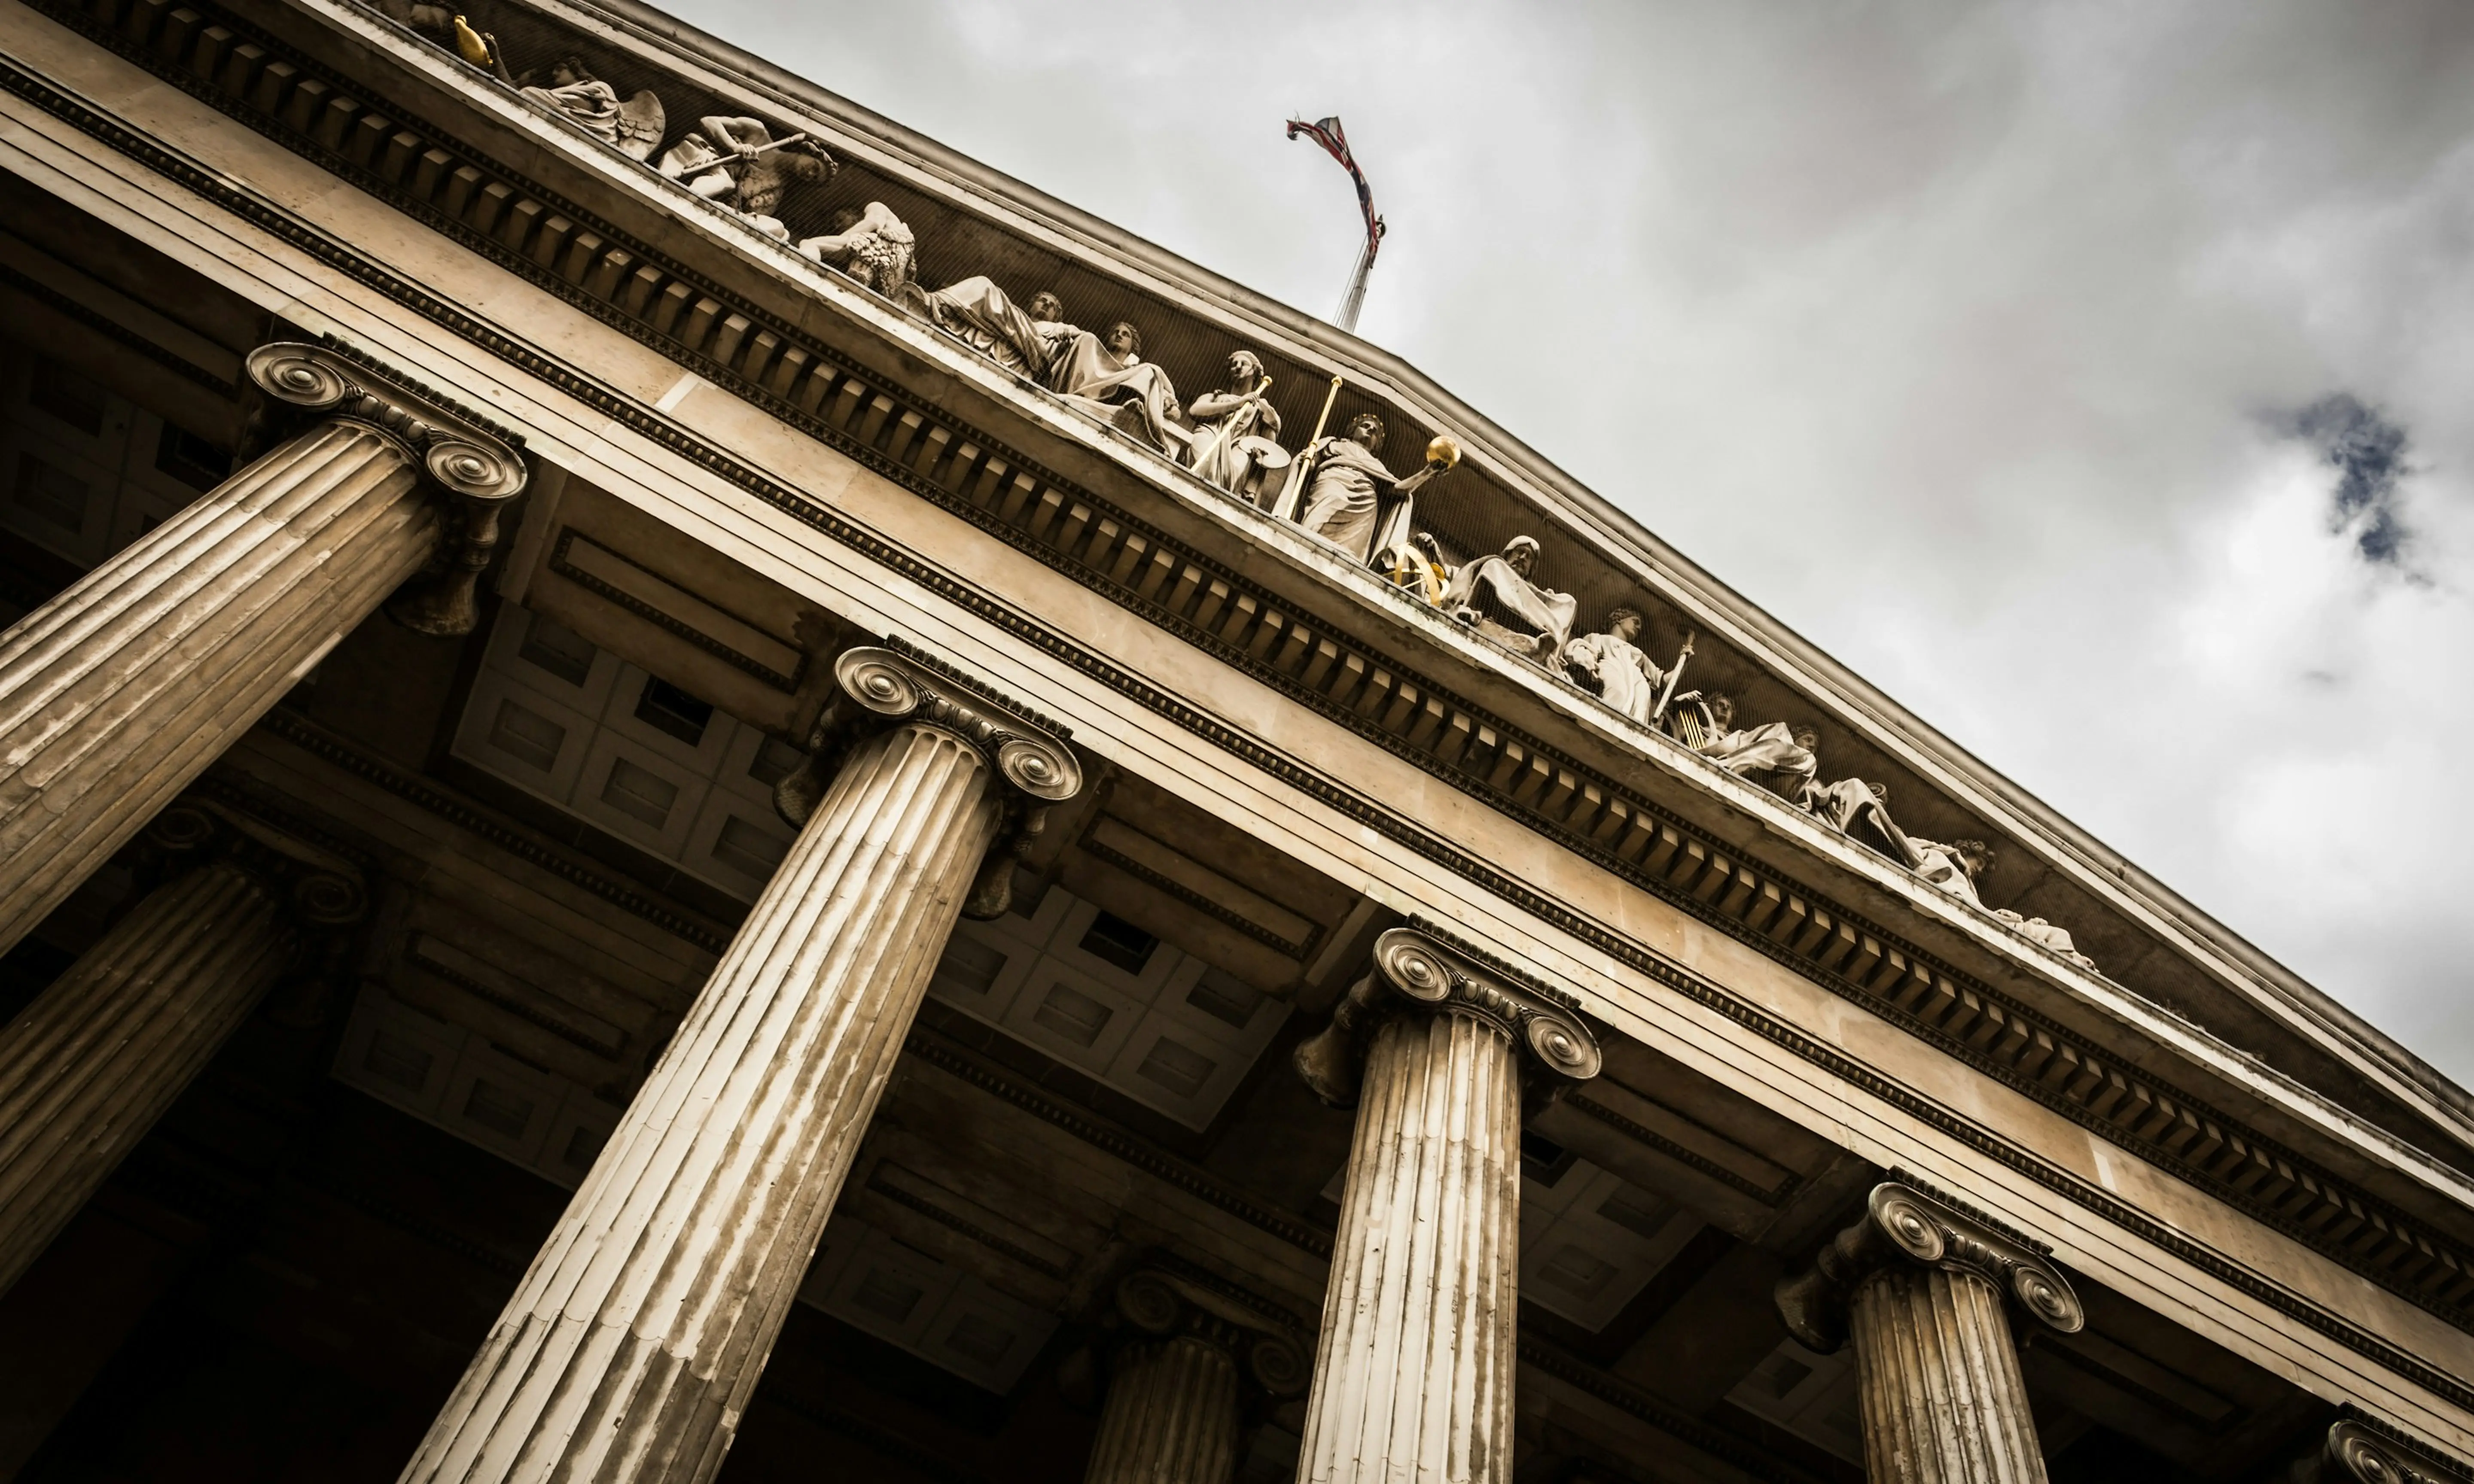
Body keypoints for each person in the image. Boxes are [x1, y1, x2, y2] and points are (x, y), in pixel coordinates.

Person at [1295, 413, 1445, 569]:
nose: (1370, 431)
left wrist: (1426, 473)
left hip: (1366, 499)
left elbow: (1398, 490)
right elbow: (1312, 461)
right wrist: (1309, 463)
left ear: (1377, 443)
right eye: (1365, 426)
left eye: (1375, 432)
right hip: (1334, 481)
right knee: (1323, 513)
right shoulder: (1334, 444)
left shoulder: (1376, 465)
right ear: (1353, 430)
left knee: (1349, 550)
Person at [658, 116, 831, 240]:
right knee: (723, 181)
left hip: (717, 200)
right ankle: (679, 201)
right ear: (806, 152)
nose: (810, 174)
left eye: (813, 179)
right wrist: (734, 147)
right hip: (703, 162)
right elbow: (708, 121)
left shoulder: (774, 190)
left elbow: (749, 214)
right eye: (815, 167)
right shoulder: (758, 133)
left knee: (777, 228)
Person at [1045, 321, 1185, 453]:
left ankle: (1127, 407)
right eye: (1116, 332)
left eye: (1126, 335)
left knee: (1151, 369)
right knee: (1087, 337)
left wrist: (1168, 405)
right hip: (1083, 390)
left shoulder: (1136, 372)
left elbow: (1175, 413)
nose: (1119, 335)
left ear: (1132, 347)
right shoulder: (1092, 354)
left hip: (1114, 400)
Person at [1438, 535, 1578, 664]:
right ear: (1508, 554)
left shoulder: (1533, 592)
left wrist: (1547, 601)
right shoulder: (1496, 567)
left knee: (1570, 601)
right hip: (1497, 609)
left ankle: (1543, 640)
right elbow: (1446, 575)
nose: (1523, 557)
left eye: (1529, 557)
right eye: (1520, 551)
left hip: (1529, 620)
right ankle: (1475, 613)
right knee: (1494, 564)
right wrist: (1433, 551)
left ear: (1531, 568)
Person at [1673, 694, 1819, 794]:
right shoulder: (1696, 729)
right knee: (1779, 730)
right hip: (1720, 753)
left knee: (1804, 756)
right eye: (1720, 705)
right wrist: (1678, 703)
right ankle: (1736, 764)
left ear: (1733, 716)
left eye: (1728, 707)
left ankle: (1739, 763)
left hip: (1742, 752)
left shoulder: (1739, 738)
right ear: (1709, 708)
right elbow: (1677, 732)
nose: (1725, 708)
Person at [1185, 350, 1283, 495]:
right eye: (1234, 365)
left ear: (1254, 373)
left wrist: (1265, 411)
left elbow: (1271, 434)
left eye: (1244, 364)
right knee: (1203, 458)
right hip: (1211, 433)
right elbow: (1195, 411)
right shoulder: (1214, 396)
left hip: (1240, 446)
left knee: (1238, 469)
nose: (1238, 367)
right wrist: (1236, 405)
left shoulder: (1261, 408)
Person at [1562, 607, 1669, 726]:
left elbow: (1662, 680)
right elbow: (1581, 651)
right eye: (1635, 622)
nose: (1638, 627)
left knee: (1643, 696)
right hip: (1610, 666)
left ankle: (1634, 733)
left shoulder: (1637, 652)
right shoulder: (1598, 638)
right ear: (1620, 619)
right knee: (1618, 692)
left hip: (1635, 677)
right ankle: (1603, 725)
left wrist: (1685, 658)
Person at [799, 201, 917, 299]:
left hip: (880, 250)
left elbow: (874, 223)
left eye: (840, 220)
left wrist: (841, 239)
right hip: (887, 268)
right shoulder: (858, 249)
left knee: (809, 243)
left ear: (854, 215)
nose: (837, 227)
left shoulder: (875, 206)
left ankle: (801, 272)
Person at [518, 55, 620, 145]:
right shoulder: (553, 94)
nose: (554, 73)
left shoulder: (597, 86)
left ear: (575, 69)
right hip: (562, 122)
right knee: (528, 93)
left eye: (560, 69)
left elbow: (591, 106)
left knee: (529, 92)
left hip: (592, 130)